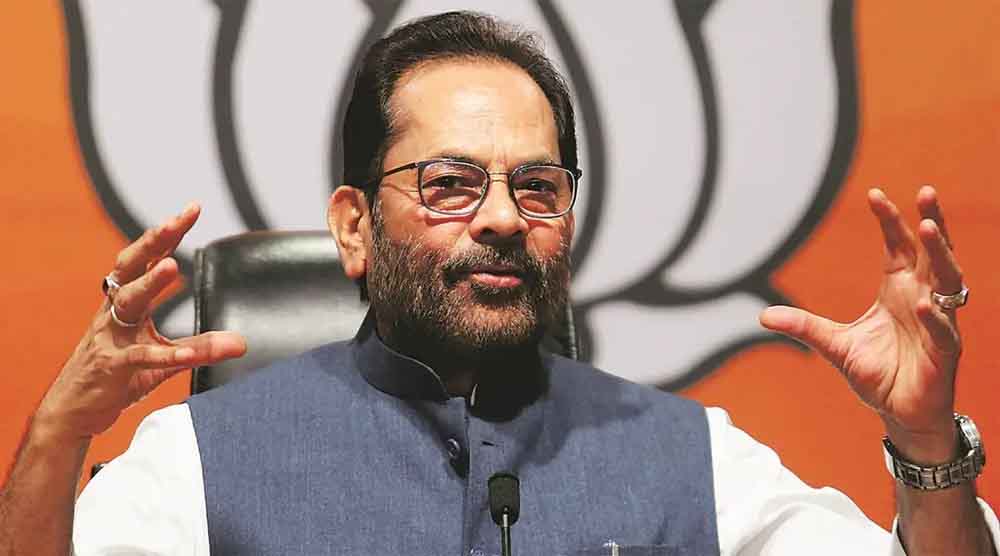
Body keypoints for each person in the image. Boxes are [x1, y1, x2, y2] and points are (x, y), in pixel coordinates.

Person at [1, 11, 996, 556]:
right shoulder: (203, 459)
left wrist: (924, 448)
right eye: (449, 184)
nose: (504, 219)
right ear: (354, 226)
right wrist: (55, 439)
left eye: (537, 187)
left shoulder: (690, 457)